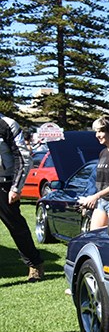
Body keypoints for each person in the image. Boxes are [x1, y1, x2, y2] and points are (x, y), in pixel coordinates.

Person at [0, 113, 45, 282]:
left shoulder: (7, 124)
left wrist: (16, 188)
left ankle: (35, 264)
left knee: (16, 227)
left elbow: (23, 157)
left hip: (5, 185)